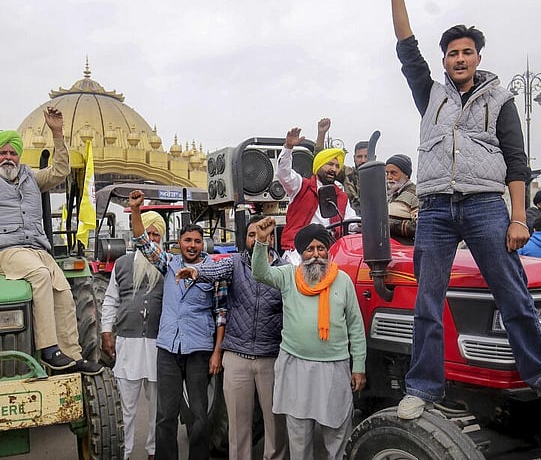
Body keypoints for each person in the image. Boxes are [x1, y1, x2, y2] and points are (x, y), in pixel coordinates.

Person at [386, 0, 541, 420]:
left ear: (478, 58)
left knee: (512, 292)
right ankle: (422, 388)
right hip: (433, 209)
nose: (459, 59)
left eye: (466, 52)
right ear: (446, 60)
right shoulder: (429, 94)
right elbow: (406, 45)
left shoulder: (502, 100)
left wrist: (517, 218)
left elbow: (517, 164)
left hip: (486, 206)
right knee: (427, 301)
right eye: (452, 53)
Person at [0, 75, 102, 375]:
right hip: (3, 252)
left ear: (19, 155)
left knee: (61, 286)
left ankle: (71, 355)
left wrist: (58, 134)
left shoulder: (31, 178)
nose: (8, 157)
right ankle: (48, 349)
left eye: (12, 152)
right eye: (3, 152)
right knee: (38, 275)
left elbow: (61, 170)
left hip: (36, 248)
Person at [175, 214, 289, 460]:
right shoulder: (235, 263)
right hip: (237, 357)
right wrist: (195, 270)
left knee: (275, 424)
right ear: (245, 239)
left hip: (271, 358)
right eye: (251, 234)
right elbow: (213, 268)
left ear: (271, 237)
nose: (256, 238)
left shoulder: (284, 271)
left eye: (262, 233)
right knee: (237, 426)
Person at [249, 220, 365, 459]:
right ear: (301, 253)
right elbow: (260, 272)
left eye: (320, 248)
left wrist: (359, 366)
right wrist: (261, 242)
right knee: (299, 435)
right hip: (296, 366)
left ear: (327, 251)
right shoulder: (289, 276)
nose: (315, 255)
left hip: (334, 367)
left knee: (337, 432)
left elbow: (356, 325)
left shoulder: (342, 280)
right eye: (309, 249)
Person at [128, 189, 225, 460]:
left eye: (197, 241)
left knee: (199, 415)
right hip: (168, 349)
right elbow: (143, 242)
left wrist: (217, 351)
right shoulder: (168, 263)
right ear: (179, 243)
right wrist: (136, 210)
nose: (192, 245)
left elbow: (221, 313)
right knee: (165, 415)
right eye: (187, 240)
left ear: (202, 244)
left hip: (199, 350)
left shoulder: (212, 270)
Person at [100, 207, 167, 460]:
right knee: (125, 408)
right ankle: (125, 452)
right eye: (147, 233)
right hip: (127, 346)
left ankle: (153, 451)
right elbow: (110, 301)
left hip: (158, 346)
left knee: (157, 408)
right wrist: (106, 333)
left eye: (156, 235)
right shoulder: (122, 264)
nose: (151, 239)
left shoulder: (166, 264)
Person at [277, 126, 358, 264]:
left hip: (329, 254)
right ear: (318, 165)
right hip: (298, 254)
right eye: (329, 164)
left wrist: (364, 225)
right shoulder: (300, 186)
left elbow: (350, 222)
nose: (333, 169)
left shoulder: (341, 196)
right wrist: (288, 148)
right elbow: (283, 174)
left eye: (337, 166)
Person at [315, 118, 368, 215]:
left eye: (366, 157)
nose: (363, 160)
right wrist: (321, 134)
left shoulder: (383, 179)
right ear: (354, 158)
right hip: (351, 220)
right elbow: (322, 161)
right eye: (359, 157)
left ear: (374, 157)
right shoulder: (347, 173)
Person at [386, 154, 419, 246]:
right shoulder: (390, 195)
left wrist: (386, 224)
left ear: (406, 175)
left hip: (404, 250)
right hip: (388, 247)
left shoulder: (415, 194)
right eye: (387, 173)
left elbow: (419, 227)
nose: (389, 177)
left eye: (393, 173)